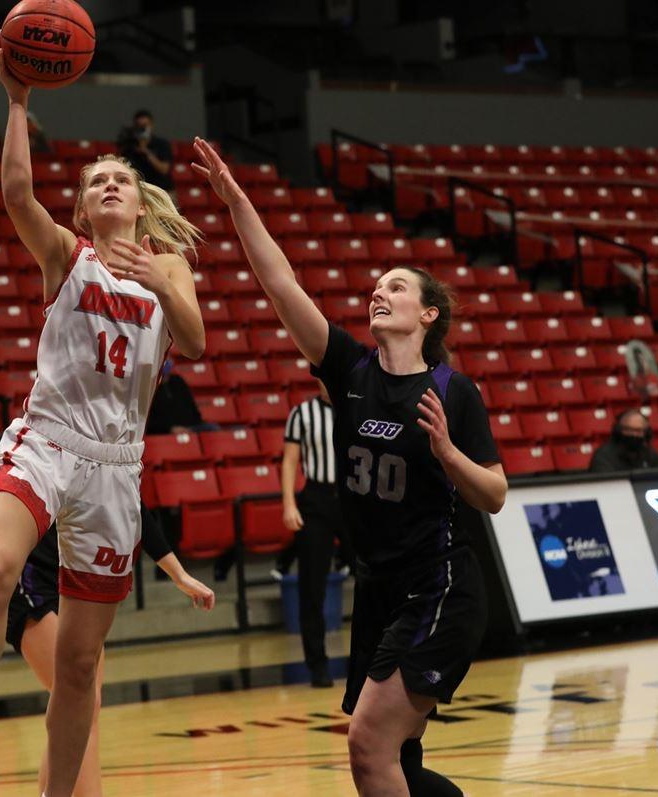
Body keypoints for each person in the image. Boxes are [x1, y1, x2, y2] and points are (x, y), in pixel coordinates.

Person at [194, 138, 502, 797]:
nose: (377, 291)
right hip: (380, 591)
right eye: (375, 284)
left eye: (395, 286)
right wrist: (237, 201)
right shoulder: (351, 371)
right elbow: (281, 284)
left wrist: (450, 455)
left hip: (440, 587)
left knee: (368, 743)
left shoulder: (455, 391)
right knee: (397, 761)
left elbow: (496, 493)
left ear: (428, 313)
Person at [0, 43, 207, 797]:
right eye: (98, 182)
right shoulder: (67, 255)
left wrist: (159, 276)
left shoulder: (167, 269)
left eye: (123, 177)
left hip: (118, 466)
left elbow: (194, 339)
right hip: (48, 439)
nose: (112, 184)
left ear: (141, 200)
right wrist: (18, 102)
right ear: (86, 208)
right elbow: (18, 195)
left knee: (82, 667)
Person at [0, 440, 215, 797]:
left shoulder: (106, 448)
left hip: (72, 578)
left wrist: (178, 573)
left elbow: (135, 510)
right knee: (78, 693)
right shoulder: (30, 433)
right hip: (30, 581)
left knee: (86, 701)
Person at [282, 379, 349, 688]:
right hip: (316, 500)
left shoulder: (355, 406)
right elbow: (290, 460)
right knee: (312, 587)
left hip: (353, 499)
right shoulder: (302, 413)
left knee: (376, 577)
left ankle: (377, 658)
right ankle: (318, 665)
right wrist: (288, 504)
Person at [145, 358, 211, 435]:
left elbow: (192, 408)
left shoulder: (178, 381)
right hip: (165, 432)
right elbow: (149, 421)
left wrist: (190, 426)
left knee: (213, 429)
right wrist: (170, 429)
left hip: (191, 427)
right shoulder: (149, 388)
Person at [588, 409, 658, 472]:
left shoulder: (650, 454)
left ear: (646, 433)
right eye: (629, 430)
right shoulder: (604, 456)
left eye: (638, 431)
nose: (634, 435)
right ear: (618, 431)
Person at [117, 109, 174, 193]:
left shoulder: (162, 144)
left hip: (162, 190)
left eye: (145, 126)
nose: (142, 129)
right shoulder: (129, 146)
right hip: (139, 190)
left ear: (151, 125)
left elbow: (164, 169)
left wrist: (146, 151)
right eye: (139, 126)